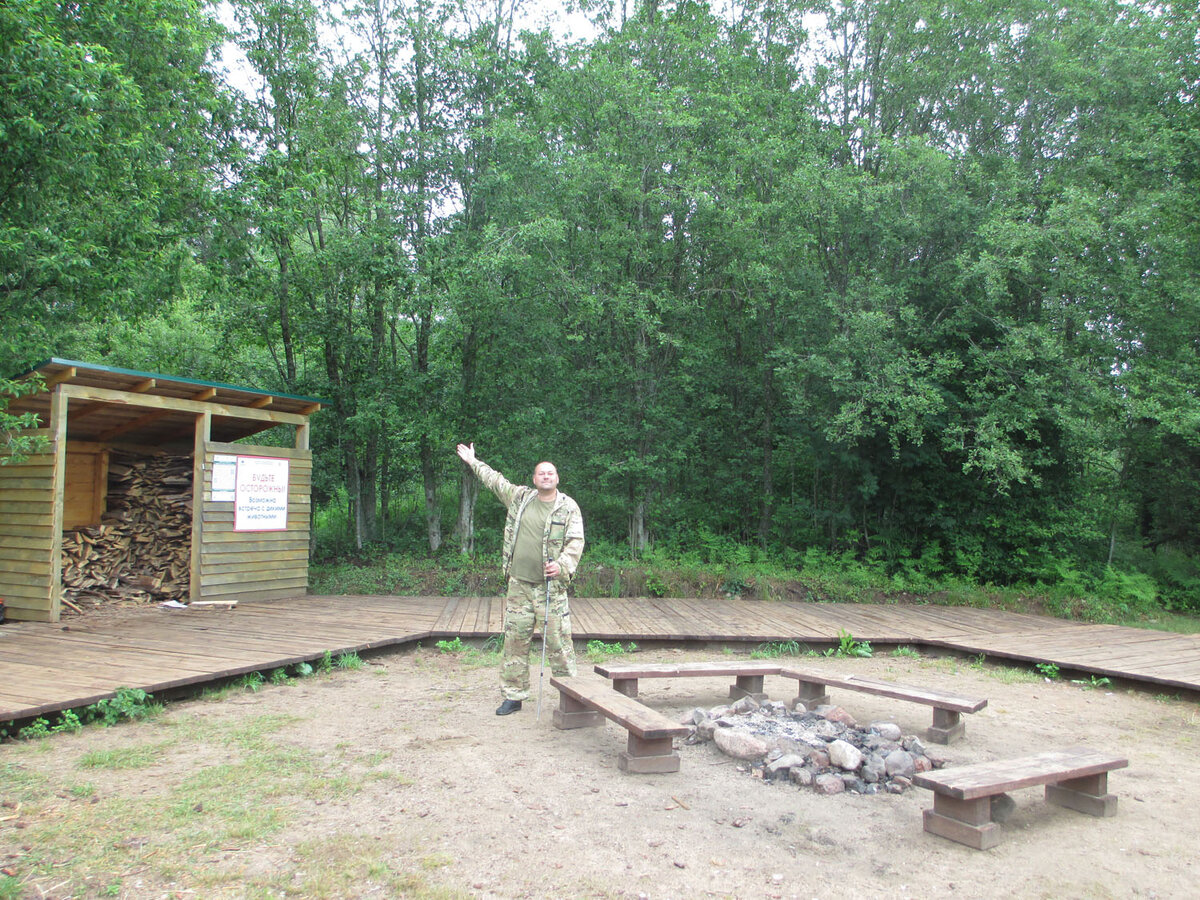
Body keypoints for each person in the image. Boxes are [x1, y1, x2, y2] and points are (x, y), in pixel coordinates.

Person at [456, 442, 585, 715]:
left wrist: (561, 566)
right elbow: (495, 480)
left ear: (557, 478)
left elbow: (575, 542)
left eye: (550, 473)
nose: (546, 476)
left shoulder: (568, 507)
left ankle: (573, 697)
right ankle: (513, 696)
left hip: (549, 589)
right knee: (515, 641)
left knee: (559, 643)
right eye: (541, 473)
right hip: (519, 586)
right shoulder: (520, 498)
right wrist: (473, 462)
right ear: (534, 479)